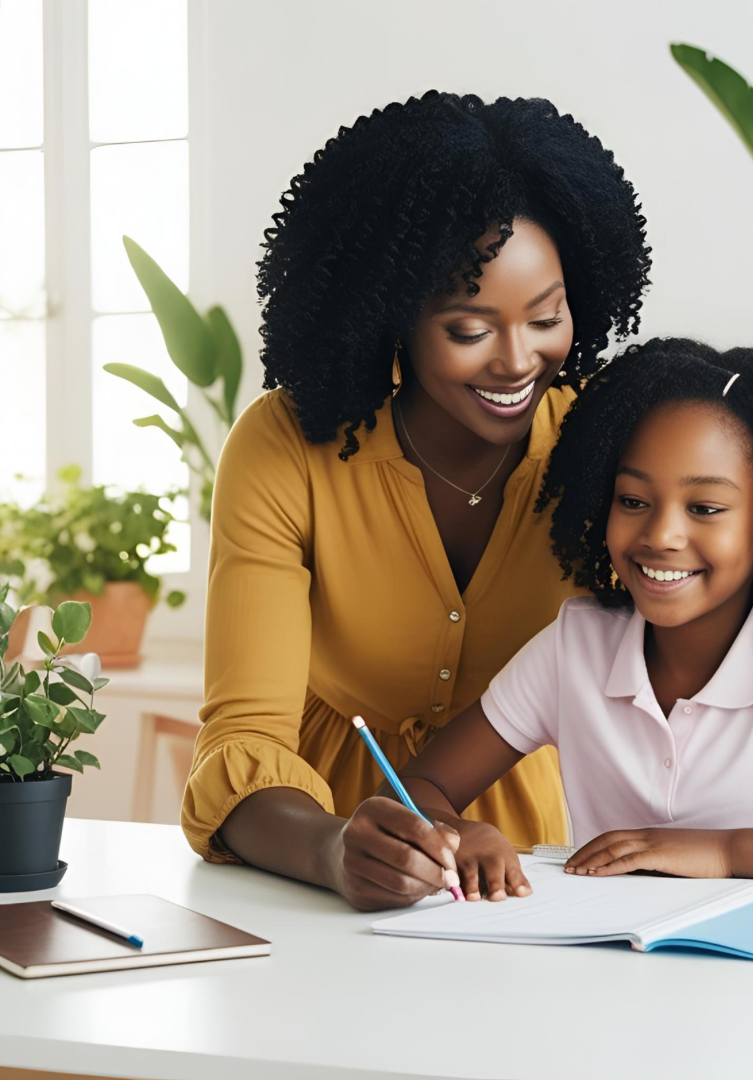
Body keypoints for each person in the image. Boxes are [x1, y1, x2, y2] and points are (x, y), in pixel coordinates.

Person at [180, 91, 651, 911]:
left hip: (540, 866)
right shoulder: (285, 448)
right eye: (469, 330)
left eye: (548, 317)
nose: (517, 361)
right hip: (308, 860)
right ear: (390, 316)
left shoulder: (610, 443)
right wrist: (332, 849)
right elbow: (243, 741)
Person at [347, 338, 753, 908]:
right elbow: (415, 790)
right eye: (633, 500)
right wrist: (462, 835)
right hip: (615, 997)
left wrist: (724, 851)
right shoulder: (576, 645)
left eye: (705, 508)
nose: (661, 535)